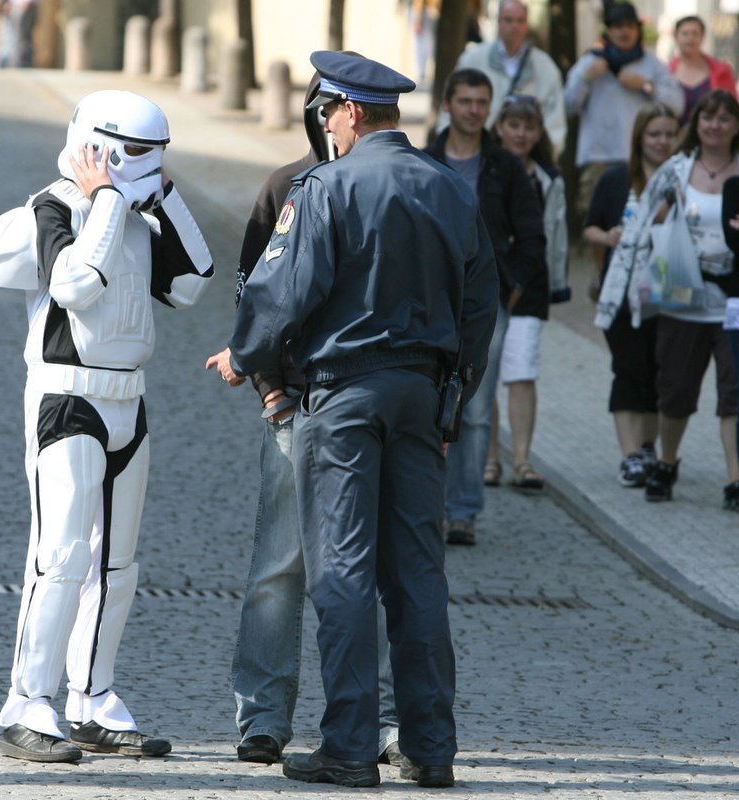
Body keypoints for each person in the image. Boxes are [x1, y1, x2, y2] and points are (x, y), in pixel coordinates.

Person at [206, 51, 498, 789]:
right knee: (419, 577)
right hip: (419, 396)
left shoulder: (328, 187)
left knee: (341, 573)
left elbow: (282, 292)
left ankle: (348, 747)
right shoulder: (448, 188)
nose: (325, 126)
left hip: (343, 398)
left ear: (350, 113)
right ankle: (431, 748)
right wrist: (452, 399)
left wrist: (245, 355)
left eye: (328, 113)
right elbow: (481, 307)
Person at [0, 90, 213, 763]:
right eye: (139, 152)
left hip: (128, 398)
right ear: (97, 144)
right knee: (61, 556)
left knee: (118, 562)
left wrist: (164, 196)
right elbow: (76, 283)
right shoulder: (54, 207)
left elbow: (196, 279)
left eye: (158, 154)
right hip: (67, 396)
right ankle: (27, 701)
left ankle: (92, 695)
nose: (151, 165)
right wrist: (106, 197)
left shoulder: (140, 215)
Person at [228, 70, 401, 769]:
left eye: (336, 111)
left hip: (366, 402)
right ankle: (264, 716)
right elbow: (253, 294)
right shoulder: (286, 186)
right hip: (298, 405)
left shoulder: (393, 184)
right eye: (321, 110)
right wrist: (269, 390)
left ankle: (383, 719)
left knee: (378, 566)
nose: (329, 121)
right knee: (281, 565)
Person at [595, 89, 739, 510]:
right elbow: (638, 230)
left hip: (733, 300)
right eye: (707, 118)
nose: (715, 125)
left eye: (724, 118)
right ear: (696, 124)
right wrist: (620, 294)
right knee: (675, 392)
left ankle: (734, 479)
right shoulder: (677, 169)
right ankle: (668, 461)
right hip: (683, 296)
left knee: (734, 393)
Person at [425, 68, 546, 544]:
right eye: (465, 100)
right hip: (431, 300)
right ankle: (424, 507)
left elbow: (532, 236)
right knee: (424, 404)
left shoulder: (505, 166)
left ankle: (463, 512)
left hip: (486, 305)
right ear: (448, 104)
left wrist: (508, 286)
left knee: (472, 409)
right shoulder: (425, 159)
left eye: (481, 102)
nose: (474, 109)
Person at [584, 103, 679, 486]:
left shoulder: (683, 179)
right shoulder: (615, 179)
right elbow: (590, 227)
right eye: (654, 134)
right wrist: (607, 237)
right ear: (640, 136)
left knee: (659, 376)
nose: (662, 141)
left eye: (669, 134)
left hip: (670, 293)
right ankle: (630, 456)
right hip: (621, 292)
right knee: (627, 371)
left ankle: (647, 446)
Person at [482, 94, 565, 492]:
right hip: (489, 282)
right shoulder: (487, 168)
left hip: (530, 283)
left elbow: (556, 235)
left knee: (522, 369)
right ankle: (490, 456)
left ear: (538, 133)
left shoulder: (548, 177)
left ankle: (522, 458)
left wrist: (560, 284)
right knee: (487, 370)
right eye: (513, 125)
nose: (520, 133)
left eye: (528, 127)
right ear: (500, 127)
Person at [564, 1, 682, 220]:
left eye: (629, 26)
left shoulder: (653, 65)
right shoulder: (591, 62)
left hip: (641, 159)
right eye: (617, 26)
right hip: (598, 160)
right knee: (596, 224)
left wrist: (647, 86)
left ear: (638, 30)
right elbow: (569, 105)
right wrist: (587, 77)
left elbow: (677, 104)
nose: (624, 31)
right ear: (608, 30)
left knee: (642, 223)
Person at [437, 0, 567, 156]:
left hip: (528, 160)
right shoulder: (472, 60)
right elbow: (451, 107)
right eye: (508, 20)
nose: (514, 26)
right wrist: (451, 151)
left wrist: (543, 159)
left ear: (527, 24)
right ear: (499, 22)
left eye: (520, 20)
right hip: (478, 156)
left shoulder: (545, 68)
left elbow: (555, 120)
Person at [670, 15, 737, 127]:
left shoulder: (722, 71)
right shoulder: (665, 72)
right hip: (673, 138)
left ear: (703, 37)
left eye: (695, 33)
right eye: (685, 33)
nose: (690, 38)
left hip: (713, 136)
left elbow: (733, 109)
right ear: (676, 36)